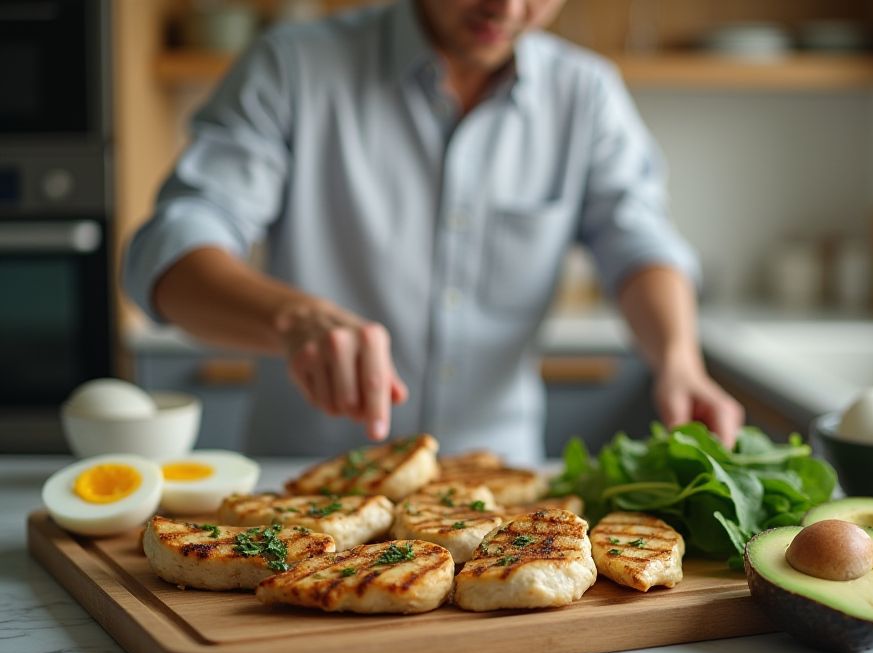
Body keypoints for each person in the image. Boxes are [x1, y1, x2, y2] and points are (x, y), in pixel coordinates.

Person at [124, 0, 743, 464]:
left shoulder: (586, 93)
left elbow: (637, 243)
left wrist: (678, 360)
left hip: (499, 495)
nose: (506, 8)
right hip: (307, 484)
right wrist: (294, 319)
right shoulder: (292, 66)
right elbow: (169, 250)